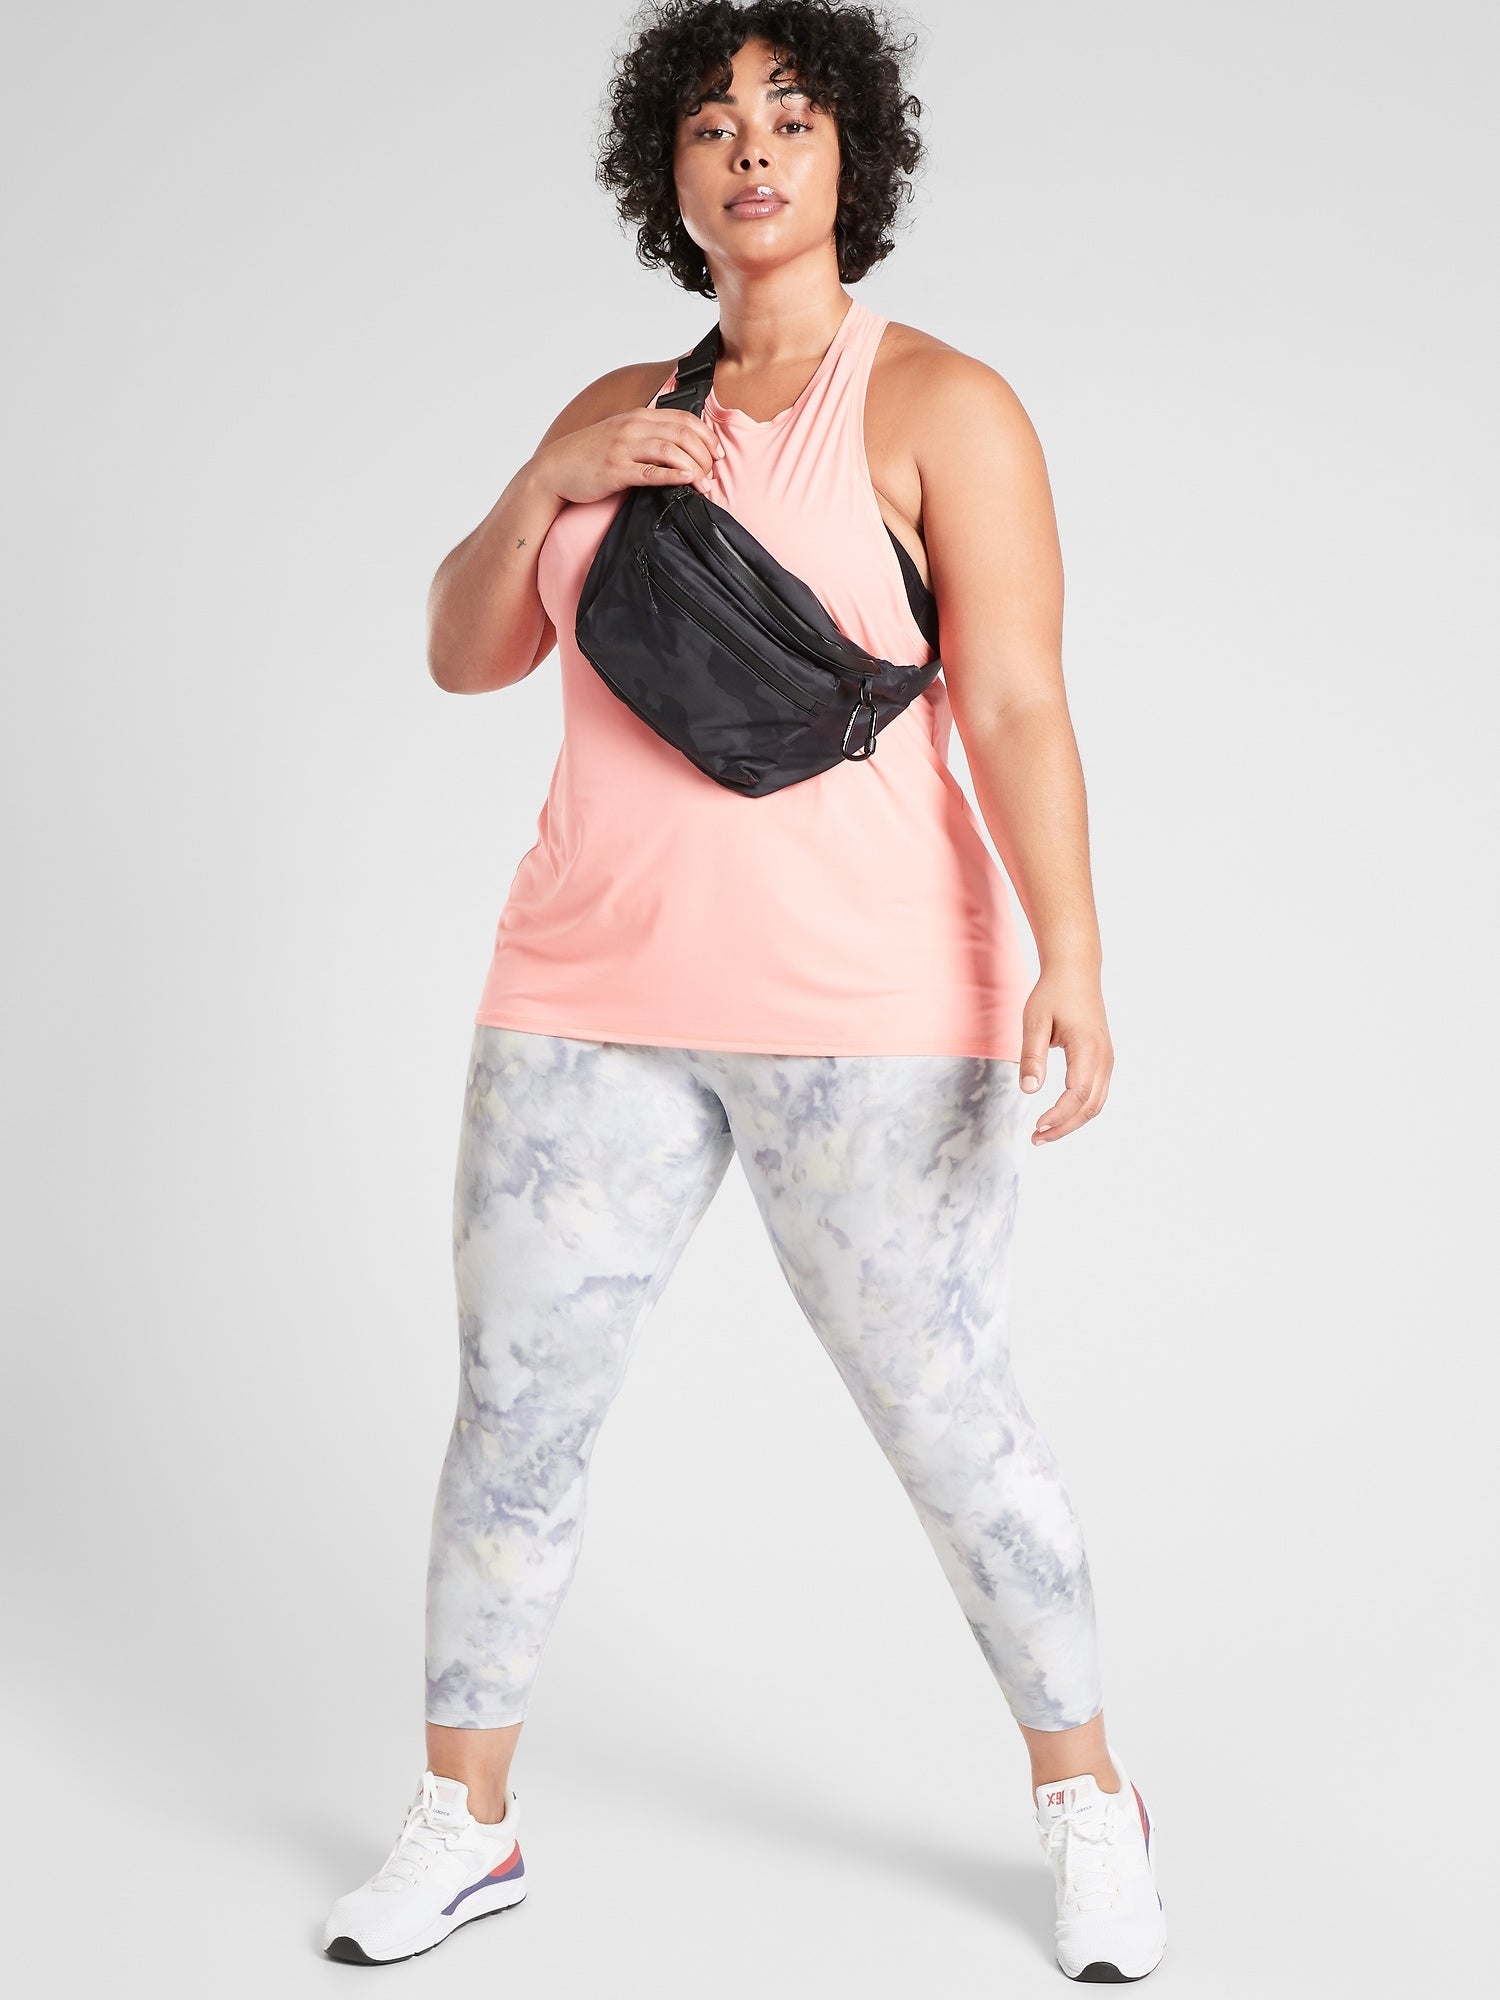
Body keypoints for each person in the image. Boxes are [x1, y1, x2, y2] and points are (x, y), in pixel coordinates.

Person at [321, 0, 1166, 1981]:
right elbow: (465, 652)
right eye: (712, 122)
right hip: (580, 992)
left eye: (791, 114)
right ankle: (463, 1823)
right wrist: (549, 476)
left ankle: (1090, 1801)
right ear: (670, 175)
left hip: (872, 1006)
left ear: (855, 150)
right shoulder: (620, 401)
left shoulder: (943, 403)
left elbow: (1016, 702)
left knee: (950, 1420)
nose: (754, 147)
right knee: (514, 1417)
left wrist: (1076, 954)